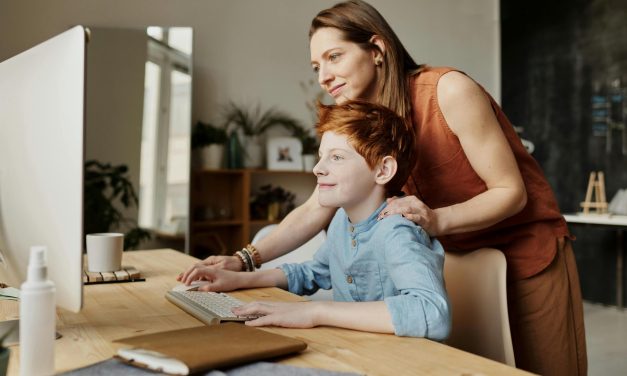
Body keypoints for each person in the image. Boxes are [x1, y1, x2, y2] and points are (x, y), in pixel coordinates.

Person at [180, 1, 586, 374]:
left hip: (526, 252)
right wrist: (244, 260)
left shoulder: (448, 90)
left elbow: (510, 192)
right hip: (453, 255)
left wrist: (435, 219)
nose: (324, 76)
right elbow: (316, 207)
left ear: (377, 49)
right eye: (316, 66)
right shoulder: (356, 115)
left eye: (334, 56)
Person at [180, 101, 451, 340]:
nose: (318, 168)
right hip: (353, 350)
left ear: (383, 170)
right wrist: (238, 279)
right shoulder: (341, 222)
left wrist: (315, 312)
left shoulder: (397, 230)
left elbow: (432, 312)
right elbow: (314, 272)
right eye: (321, 156)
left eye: (336, 157)